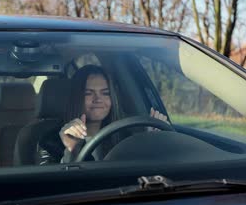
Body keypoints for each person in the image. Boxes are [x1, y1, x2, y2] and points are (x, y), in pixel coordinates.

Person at [37, 64, 168, 165]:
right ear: (76, 98)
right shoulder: (51, 142)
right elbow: (52, 191)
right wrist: (73, 151)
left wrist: (153, 142)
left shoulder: (124, 138)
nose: (98, 99)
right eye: (88, 93)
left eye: (105, 93)